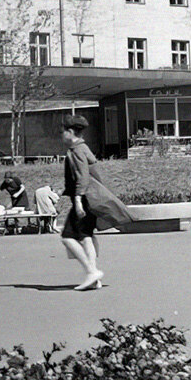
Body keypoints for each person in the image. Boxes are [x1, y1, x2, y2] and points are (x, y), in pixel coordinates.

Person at [59, 114, 134, 291]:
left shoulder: (76, 151)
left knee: (68, 237)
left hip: (85, 199)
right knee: (86, 237)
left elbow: (83, 177)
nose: (61, 135)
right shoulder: (84, 148)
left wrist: (78, 200)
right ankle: (93, 278)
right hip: (91, 199)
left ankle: (91, 272)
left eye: (63, 132)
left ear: (71, 132)